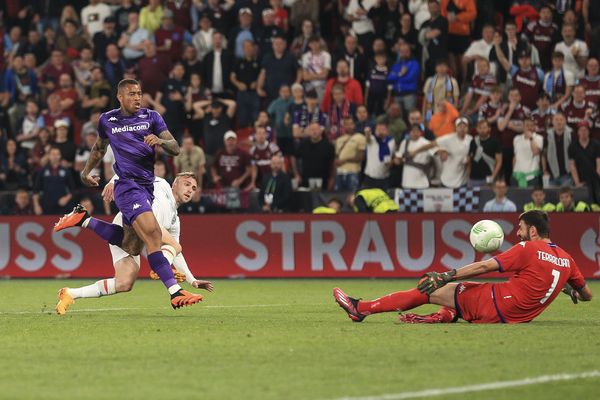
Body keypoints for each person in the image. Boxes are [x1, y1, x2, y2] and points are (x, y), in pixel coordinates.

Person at [53, 78, 203, 309]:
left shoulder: (152, 117)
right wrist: (85, 172)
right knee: (153, 235)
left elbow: (175, 148)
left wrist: (160, 141)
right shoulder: (108, 120)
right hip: (126, 186)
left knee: (131, 250)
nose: (137, 98)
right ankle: (175, 292)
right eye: (132, 94)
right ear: (120, 97)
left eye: (139, 93)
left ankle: (84, 220)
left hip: (146, 188)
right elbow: (99, 148)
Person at [334, 210, 593, 324]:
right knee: (458, 296)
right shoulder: (567, 259)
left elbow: (484, 268)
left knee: (428, 288)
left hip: (497, 305)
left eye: (521, 228)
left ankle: (361, 309)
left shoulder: (528, 249)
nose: (518, 232)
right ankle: (448, 314)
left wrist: (447, 275)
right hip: (516, 316)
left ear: (533, 230)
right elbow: (587, 296)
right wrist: (568, 290)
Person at [56, 172, 214, 315]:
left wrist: (192, 280)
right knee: (169, 243)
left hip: (141, 231)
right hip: (134, 216)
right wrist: (112, 182)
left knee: (124, 283)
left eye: (193, 188)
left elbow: (176, 253)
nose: (190, 190)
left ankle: (70, 293)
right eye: (186, 184)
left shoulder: (174, 221)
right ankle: (171, 285)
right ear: (175, 184)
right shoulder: (162, 184)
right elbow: (130, 170)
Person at [291, 122, 335, 190]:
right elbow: (293, 157)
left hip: (324, 182)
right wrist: (296, 174)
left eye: (316, 129)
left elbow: (333, 164)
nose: (314, 132)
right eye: (312, 130)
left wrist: (332, 178)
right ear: (308, 132)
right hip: (306, 181)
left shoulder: (328, 146)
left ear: (321, 130)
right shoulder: (303, 145)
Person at [32, 147, 75, 215]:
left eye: (57, 154)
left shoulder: (66, 171)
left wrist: (66, 198)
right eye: (53, 154)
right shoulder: (42, 171)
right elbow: (36, 190)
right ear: (49, 156)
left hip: (62, 207)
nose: (55, 156)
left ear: (60, 156)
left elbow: (73, 190)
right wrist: (36, 205)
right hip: (46, 206)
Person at [568, 120, 600, 205]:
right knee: (582, 205)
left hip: (595, 179)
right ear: (578, 132)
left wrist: (597, 179)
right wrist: (577, 182)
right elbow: (572, 165)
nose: (583, 132)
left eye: (585, 130)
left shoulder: (596, 144)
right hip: (581, 179)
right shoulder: (572, 146)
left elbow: (598, 163)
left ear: (589, 131)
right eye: (581, 130)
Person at [394, 124, 433, 189]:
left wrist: (416, 152)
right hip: (407, 181)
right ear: (409, 133)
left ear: (421, 132)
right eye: (413, 131)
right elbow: (399, 157)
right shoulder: (405, 142)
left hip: (421, 183)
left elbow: (434, 147)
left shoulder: (426, 143)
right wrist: (397, 160)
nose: (415, 133)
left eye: (417, 131)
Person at [334, 117, 366, 192]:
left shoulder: (360, 137)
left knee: (352, 196)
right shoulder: (339, 139)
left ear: (354, 125)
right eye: (346, 124)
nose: (348, 126)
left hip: (353, 173)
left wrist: (345, 160)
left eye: (350, 124)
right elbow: (336, 157)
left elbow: (361, 157)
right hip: (339, 173)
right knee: (339, 196)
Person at [468, 119, 502, 187]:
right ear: (477, 129)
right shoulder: (473, 142)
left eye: (484, 128)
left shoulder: (495, 142)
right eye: (480, 128)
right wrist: (469, 175)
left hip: (488, 177)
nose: (482, 130)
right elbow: (470, 160)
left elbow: (499, 161)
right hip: (473, 178)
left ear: (489, 128)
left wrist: (493, 176)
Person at [543, 112, 573, 187]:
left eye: (561, 119)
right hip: (551, 174)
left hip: (568, 174)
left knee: (565, 198)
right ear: (552, 122)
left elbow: (575, 155)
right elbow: (543, 154)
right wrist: (544, 170)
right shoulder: (547, 135)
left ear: (565, 121)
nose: (559, 122)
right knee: (551, 198)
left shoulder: (571, 134)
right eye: (556, 120)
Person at [512, 118, 544, 188]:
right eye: (527, 125)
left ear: (535, 127)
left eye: (532, 125)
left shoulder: (539, 138)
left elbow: (535, 152)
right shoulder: (516, 139)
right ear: (523, 126)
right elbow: (515, 156)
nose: (529, 127)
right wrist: (513, 171)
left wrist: (531, 138)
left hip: (532, 176)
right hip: (517, 175)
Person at [363, 122, 395, 190]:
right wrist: (367, 132)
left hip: (384, 177)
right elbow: (367, 137)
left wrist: (391, 162)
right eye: (378, 129)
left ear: (387, 131)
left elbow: (392, 154)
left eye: (383, 129)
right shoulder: (372, 139)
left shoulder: (391, 141)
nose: (380, 132)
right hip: (370, 178)